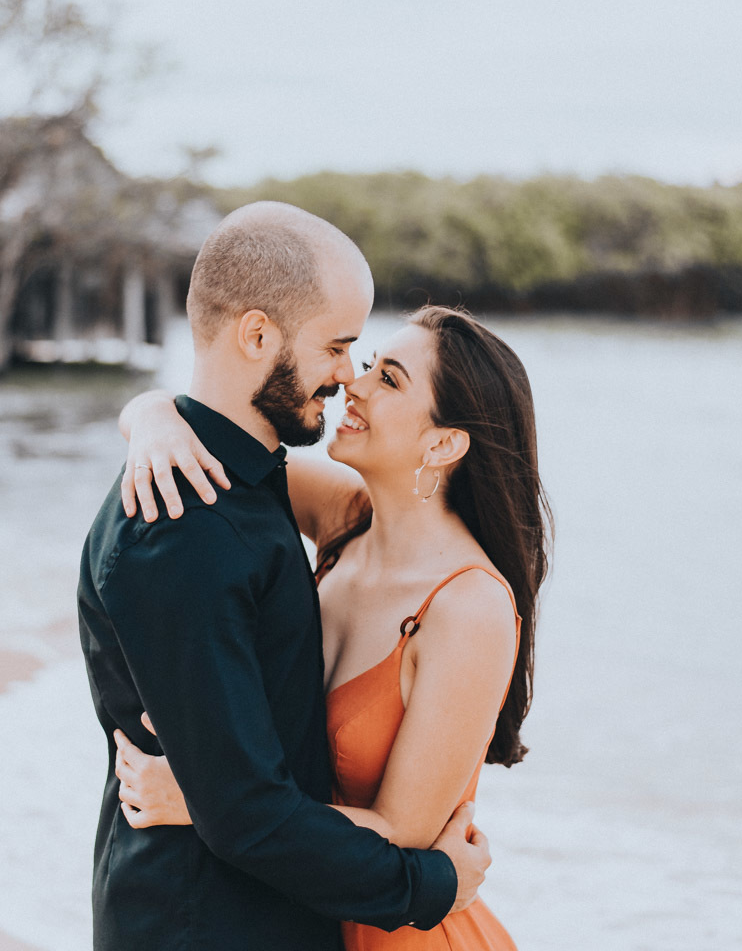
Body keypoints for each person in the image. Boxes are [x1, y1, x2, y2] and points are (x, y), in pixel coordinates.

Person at [77, 202, 492, 951]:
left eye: (372, 364)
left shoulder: (256, 479)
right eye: (337, 347)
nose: (348, 378)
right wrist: (433, 885)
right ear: (258, 335)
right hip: (204, 927)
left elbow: (239, 800)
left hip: (268, 912)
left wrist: (152, 411)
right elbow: (246, 814)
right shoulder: (183, 527)